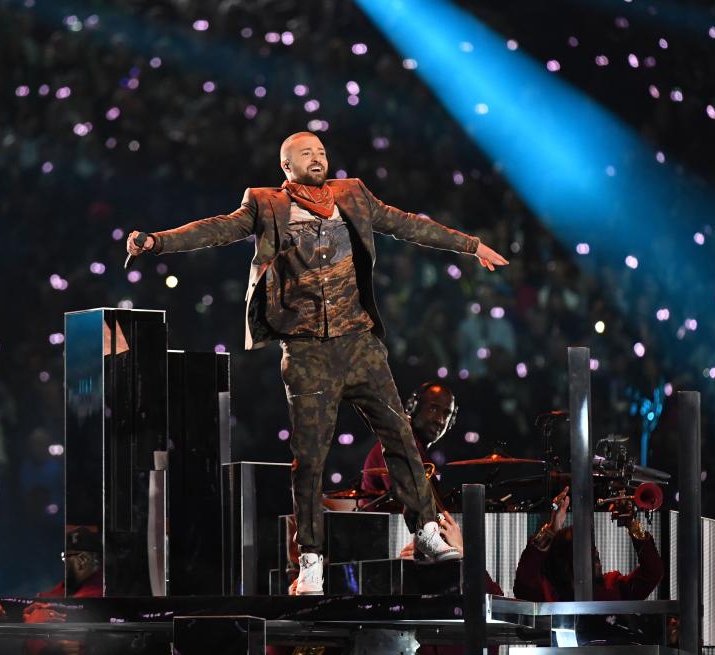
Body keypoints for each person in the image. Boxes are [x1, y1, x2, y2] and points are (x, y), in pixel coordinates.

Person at [128, 131, 509, 595]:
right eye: (307, 153)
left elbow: (408, 224)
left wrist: (469, 245)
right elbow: (216, 229)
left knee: (402, 438)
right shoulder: (265, 202)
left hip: (359, 343)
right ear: (286, 165)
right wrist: (156, 243)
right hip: (308, 350)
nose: (318, 158)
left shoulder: (353, 194)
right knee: (310, 460)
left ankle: (425, 530)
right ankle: (310, 560)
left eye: (323, 151)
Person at [513, 487, 663, 601]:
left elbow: (652, 573)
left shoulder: (613, 586)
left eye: (593, 548)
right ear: (564, 559)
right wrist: (552, 529)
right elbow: (525, 582)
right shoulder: (549, 592)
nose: (595, 553)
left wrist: (631, 523)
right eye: (585, 550)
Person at [360, 382, 457, 495]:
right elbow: (408, 501)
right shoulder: (397, 443)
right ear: (412, 406)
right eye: (433, 409)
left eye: (446, 414)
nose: (440, 420)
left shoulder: (416, 449)